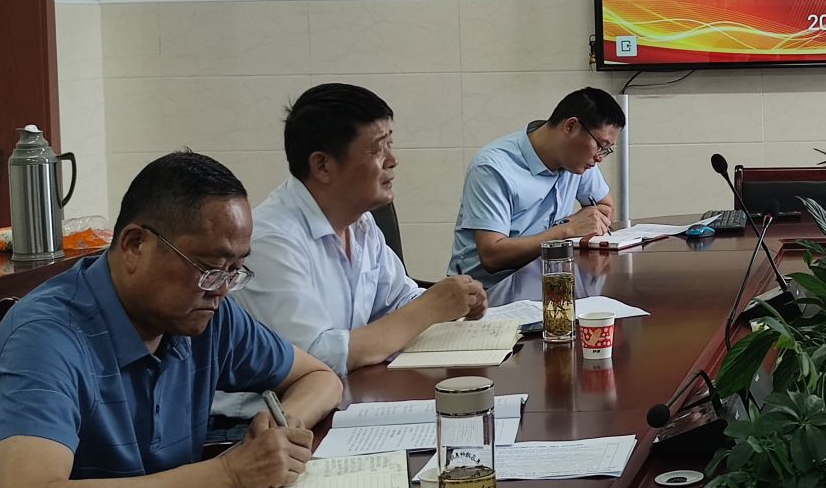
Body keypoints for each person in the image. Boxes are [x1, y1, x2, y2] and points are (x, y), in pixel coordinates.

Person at [0, 151, 342, 488]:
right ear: (135, 245)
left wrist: (282, 427)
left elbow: (319, 378)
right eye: (209, 268)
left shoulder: (207, 315)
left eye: (235, 270)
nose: (221, 290)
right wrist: (230, 473)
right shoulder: (47, 338)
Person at [209, 83, 487, 428]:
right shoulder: (271, 239)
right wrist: (430, 307)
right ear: (323, 166)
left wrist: (454, 302)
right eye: (377, 149)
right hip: (258, 425)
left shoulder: (361, 223)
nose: (392, 160)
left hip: (345, 399)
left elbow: (399, 301)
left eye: (390, 144)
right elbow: (317, 358)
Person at [450, 88, 624, 283]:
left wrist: (574, 224)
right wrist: (567, 230)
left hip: (547, 281)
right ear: (571, 127)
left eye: (606, 150)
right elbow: (492, 256)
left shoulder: (577, 161)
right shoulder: (493, 168)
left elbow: (605, 207)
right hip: (488, 291)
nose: (600, 158)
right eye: (600, 145)